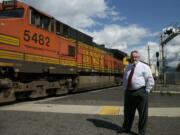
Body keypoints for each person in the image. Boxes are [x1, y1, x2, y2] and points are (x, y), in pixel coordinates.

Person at [122, 50, 155, 135]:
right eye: (132, 57)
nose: (134, 58)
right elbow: (125, 79)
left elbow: (150, 80)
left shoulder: (144, 67)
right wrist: (125, 89)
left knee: (142, 114)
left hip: (140, 92)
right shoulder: (127, 67)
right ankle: (126, 129)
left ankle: (141, 132)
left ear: (139, 57)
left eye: (136, 57)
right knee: (128, 113)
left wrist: (146, 91)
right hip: (128, 93)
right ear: (131, 58)